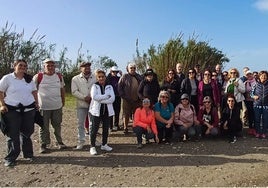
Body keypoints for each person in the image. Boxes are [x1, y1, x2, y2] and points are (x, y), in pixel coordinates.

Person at [0, 59, 38, 167]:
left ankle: (28, 154)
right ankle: (11, 157)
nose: (23, 67)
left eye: (24, 66)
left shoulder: (29, 79)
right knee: (13, 134)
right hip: (12, 110)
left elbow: (34, 91)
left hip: (28, 109)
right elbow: (0, 91)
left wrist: (36, 103)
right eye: (20, 65)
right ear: (14, 66)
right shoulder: (7, 78)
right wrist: (2, 104)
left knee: (27, 132)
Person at [33, 58, 66, 153]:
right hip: (43, 107)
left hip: (57, 106)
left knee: (57, 125)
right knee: (43, 126)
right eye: (48, 65)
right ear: (44, 67)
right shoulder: (38, 76)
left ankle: (59, 142)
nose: (50, 67)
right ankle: (44, 144)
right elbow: (33, 90)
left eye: (52, 65)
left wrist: (63, 101)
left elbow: (62, 89)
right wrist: (35, 103)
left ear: (55, 67)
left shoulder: (59, 76)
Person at [89, 69, 115, 155]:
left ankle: (104, 144)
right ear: (97, 78)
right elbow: (94, 97)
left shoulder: (109, 86)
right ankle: (92, 147)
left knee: (105, 129)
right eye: (99, 77)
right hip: (96, 111)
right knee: (94, 129)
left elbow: (112, 99)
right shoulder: (94, 86)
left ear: (105, 77)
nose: (101, 78)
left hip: (107, 111)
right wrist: (105, 96)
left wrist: (101, 99)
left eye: (102, 76)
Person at [71, 61, 96, 149]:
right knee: (80, 123)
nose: (87, 68)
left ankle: (93, 140)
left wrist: (92, 97)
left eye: (88, 67)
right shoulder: (75, 79)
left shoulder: (95, 77)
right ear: (81, 68)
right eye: (84, 67)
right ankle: (81, 141)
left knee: (93, 123)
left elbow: (97, 88)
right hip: (81, 104)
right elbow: (74, 91)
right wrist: (84, 97)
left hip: (93, 104)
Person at [118, 63, 143, 134]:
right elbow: (120, 88)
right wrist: (123, 96)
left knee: (136, 114)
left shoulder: (139, 77)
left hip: (137, 99)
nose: (132, 69)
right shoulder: (124, 76)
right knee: (126, 114)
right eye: (131, 68)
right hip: (127, 99)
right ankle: (125, 128)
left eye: (134, 68)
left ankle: (134, 127)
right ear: (128, 69)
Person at [251, 70, 268, 139]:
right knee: (257, 119)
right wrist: (254, 96)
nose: (263, 77)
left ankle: (264, 133)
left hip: (266, 105)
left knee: (265, 119)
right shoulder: (255, 84)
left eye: (265, 76)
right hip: (257, 105)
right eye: (262, 76)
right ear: (259, 76)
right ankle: (257, 132)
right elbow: (251, 94)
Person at [106, 66, 122, 131]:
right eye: (113, 72)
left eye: (116, 72)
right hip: (110, 97)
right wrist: (110, 73)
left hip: (117, 96)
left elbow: (124, 81)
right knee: (110, 112)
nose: (115, 73)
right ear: (111, 71)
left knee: (117, 111)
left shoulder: (119, 78)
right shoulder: (108, 78)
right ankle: (110, 126)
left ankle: (116, 124)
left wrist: (121, 74)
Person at [244, 70, 256, 136]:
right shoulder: (245, 83)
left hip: (254, 101)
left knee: (254, 115)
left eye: (250, 74)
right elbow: (243, 90)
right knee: (249, 115)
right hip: (248, 101)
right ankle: (250, 128)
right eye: (247, 75)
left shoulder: (256, 82)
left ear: (252, 75)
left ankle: (255, 128)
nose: (249, 76)